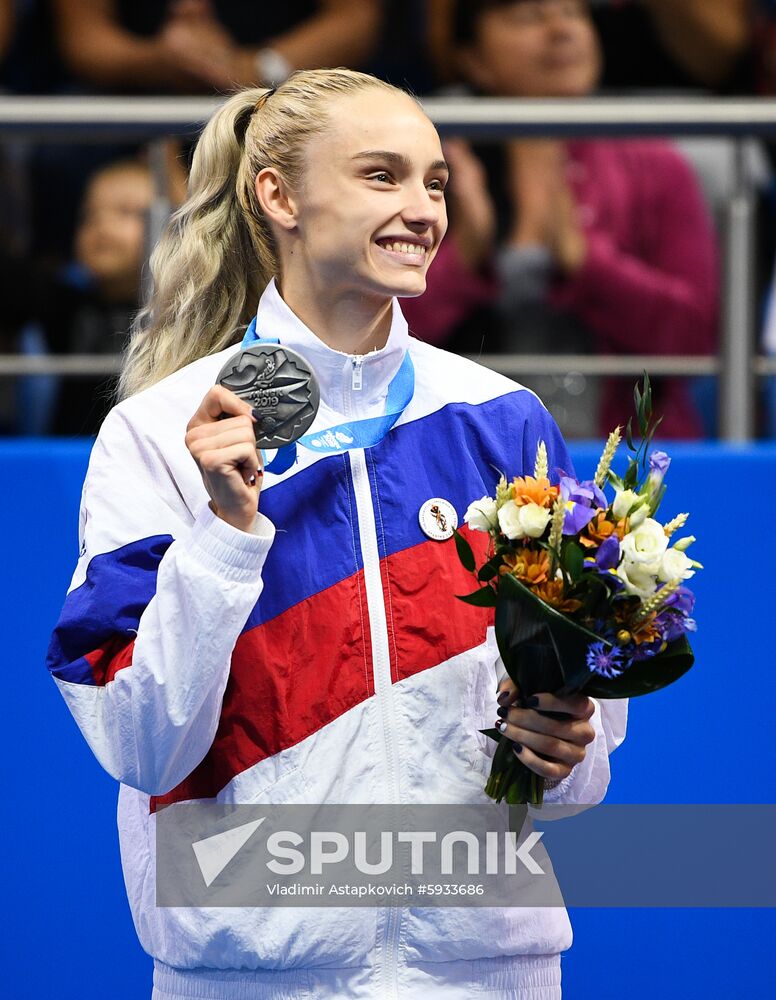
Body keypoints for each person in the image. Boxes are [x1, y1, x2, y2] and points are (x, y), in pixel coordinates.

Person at [45, 69, 627, 999]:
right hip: (253, 972)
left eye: (435, 182)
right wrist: (227, 536)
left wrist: (569, 748)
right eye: (382, 176)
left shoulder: (502, 419)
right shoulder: (159, 432)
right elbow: (139, 743)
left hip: (487, 967)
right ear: (279, 197)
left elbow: (581, 760)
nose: (422, 209)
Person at [405, 0, 720, 439]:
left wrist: (588, 263)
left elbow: (694, 342)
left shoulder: (657, 163)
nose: (560, 29)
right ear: (473, 59)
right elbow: (374, 335)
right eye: (529, 16)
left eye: (574, 12)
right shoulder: (431, 169)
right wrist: (465, 260)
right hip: (460, 451)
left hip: (623, 462)